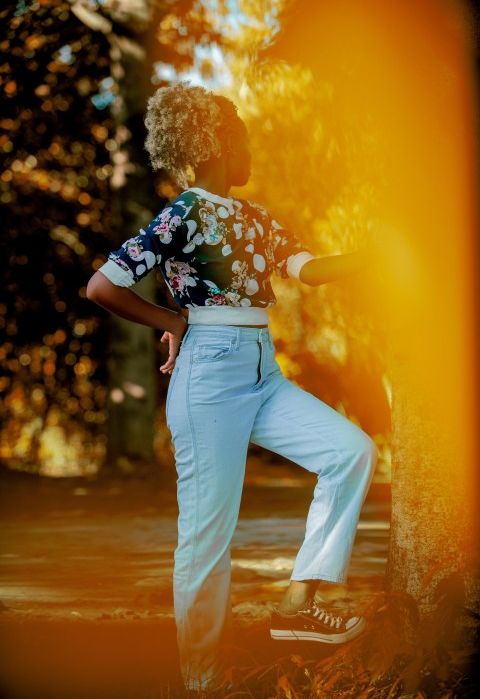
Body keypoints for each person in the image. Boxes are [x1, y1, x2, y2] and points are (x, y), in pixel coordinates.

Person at [87, 81, 379, 693]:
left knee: (350, 452)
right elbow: (104, 285)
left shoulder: (256, 218)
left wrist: (374, 255)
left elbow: (313, 271)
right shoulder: (182, 214)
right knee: (207, 538)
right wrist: (171, 322)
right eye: (242, 138)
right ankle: (202, 682)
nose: (249, 150)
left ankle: (299, 601)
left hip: (261, 372)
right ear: (215, 141)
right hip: (208, 378)